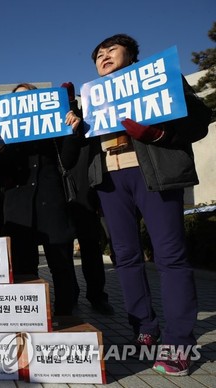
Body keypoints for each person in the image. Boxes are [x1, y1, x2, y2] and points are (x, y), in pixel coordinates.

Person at [87, 34, 211, 376]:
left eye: (111, 49)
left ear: (132, 55)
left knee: (169, 256)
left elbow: (200, 119)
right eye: (98, 54)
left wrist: (159, 135)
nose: (103, 56)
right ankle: (144, 329)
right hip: (110, 180)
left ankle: (179, 343)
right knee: (125, 258)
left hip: (153, 173)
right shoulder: (92, 98)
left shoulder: (163, 79)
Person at [0, 83, 82, 316]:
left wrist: (73, 130)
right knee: (22, 266)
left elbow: (69, 160)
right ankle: (30, 315)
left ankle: (66, 312)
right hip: (18, 207)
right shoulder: (2, 135)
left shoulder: (56, 127)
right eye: (17, 99)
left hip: (52, 202)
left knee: (61, 264)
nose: (24, 103)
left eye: (29, 97)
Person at [61, 82, 115, 316]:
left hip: (83, 191)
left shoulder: (83, 122)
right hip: (56, 193)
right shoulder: (42, 126)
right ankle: (70, 294)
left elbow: (85, 136)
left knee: (90, 248)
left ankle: (96, 295)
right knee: (61, 250)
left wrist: (73, 109)